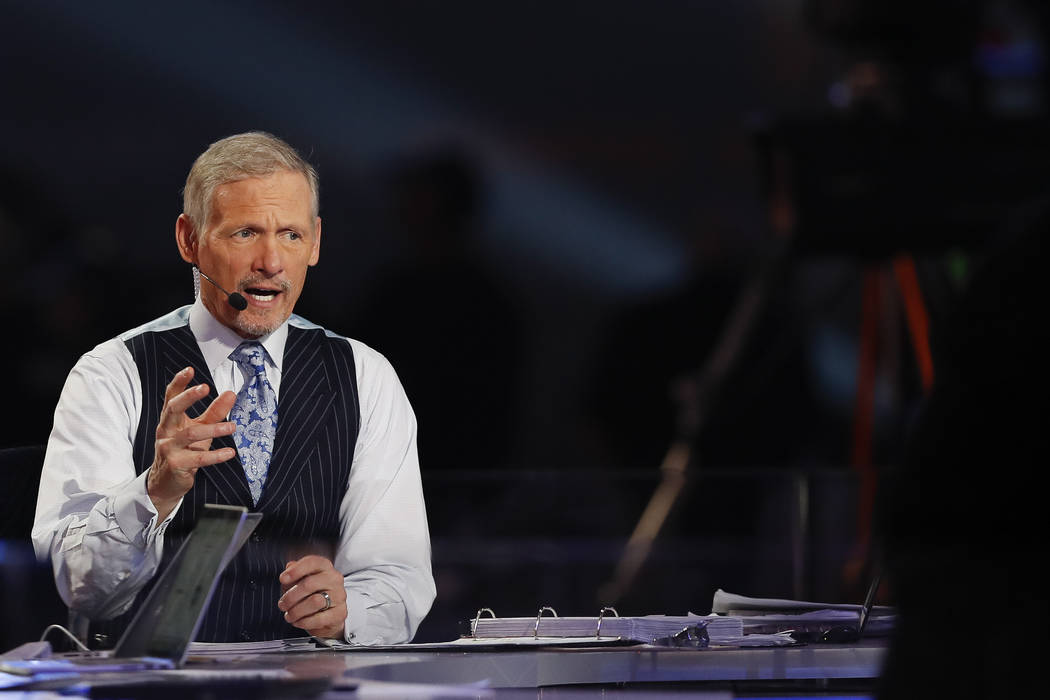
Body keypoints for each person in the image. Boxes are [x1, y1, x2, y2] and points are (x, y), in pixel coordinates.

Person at [32, 132, 435, 646]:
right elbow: (78, 587)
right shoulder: (112, 373)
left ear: (315, 242)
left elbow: (396, 577)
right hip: (150, 680)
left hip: (309, 678)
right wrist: (154, 491)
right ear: (189, 240)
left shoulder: (364, 376)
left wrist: (348, 612)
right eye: (245, 233)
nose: (271, 261)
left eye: (290, 235)